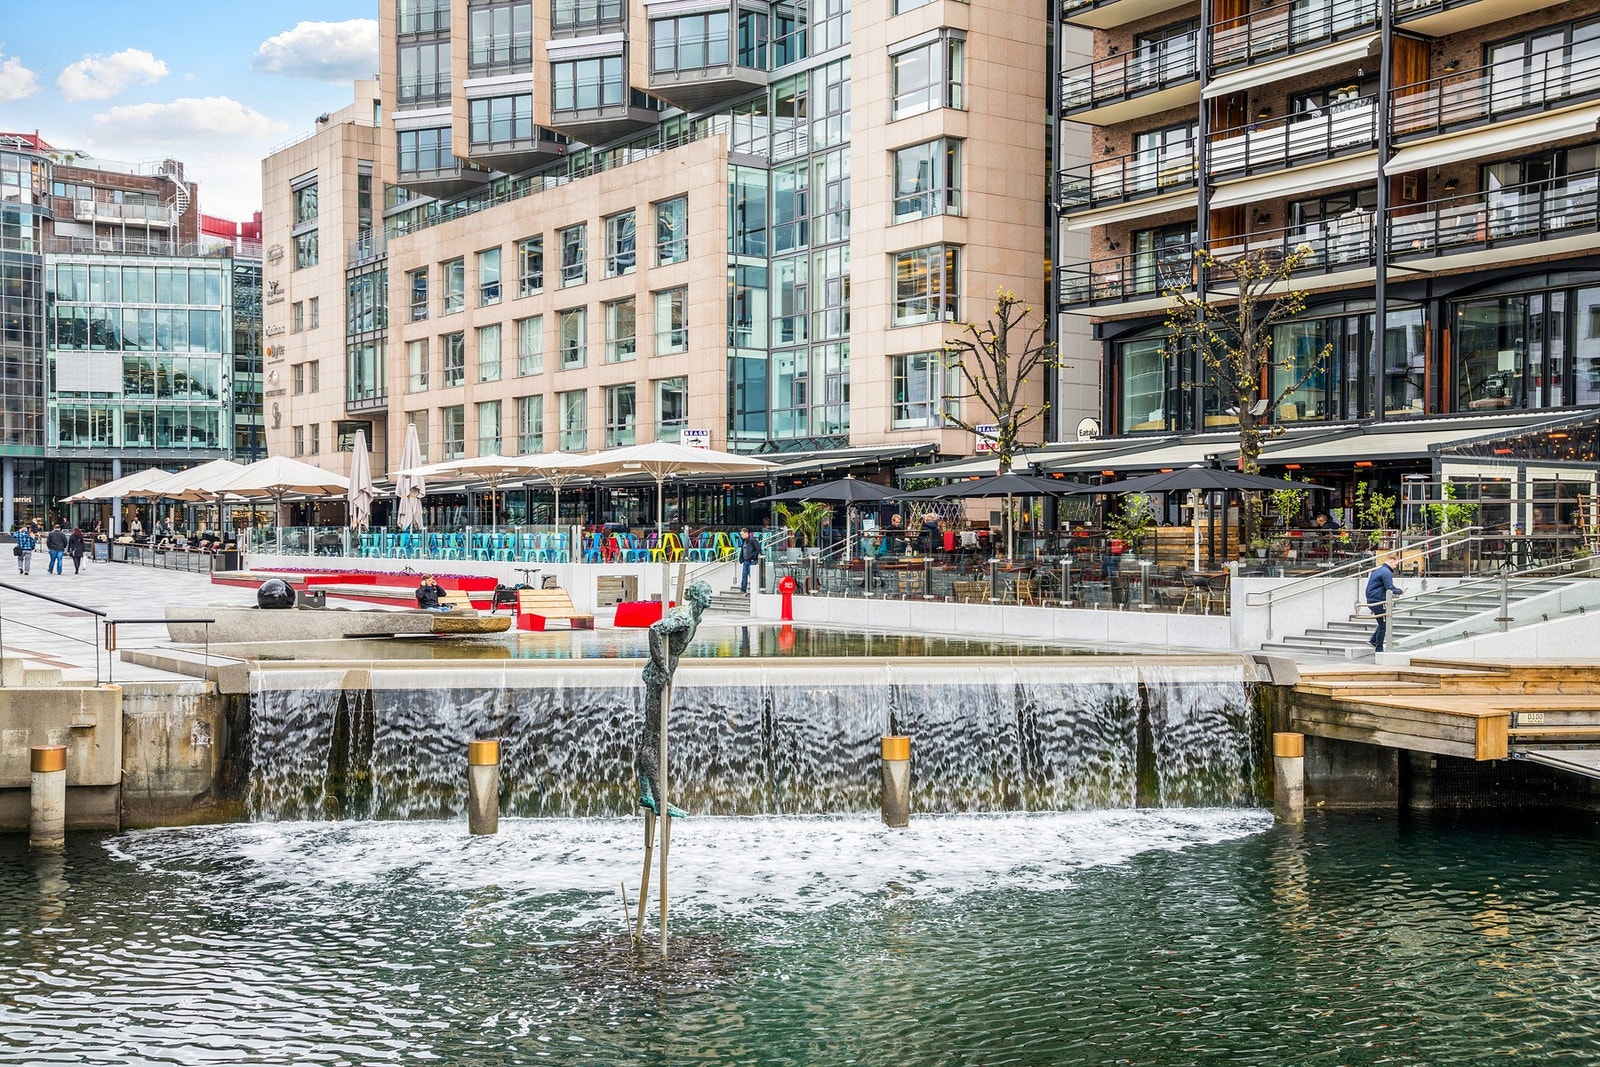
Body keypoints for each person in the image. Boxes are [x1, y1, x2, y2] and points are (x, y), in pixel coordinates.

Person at [1364, 551, 1402, 652]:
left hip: (1373, 599)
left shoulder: (1379, 570)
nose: (1395, 566)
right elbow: (1389, 588)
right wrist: (1400, 591)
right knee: (1383, 625)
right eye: (1395, 564)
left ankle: (1373, 641)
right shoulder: (1386, 572)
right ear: (1391, 561)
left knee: (1382, 623)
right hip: (1378, 600)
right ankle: (1378, 648)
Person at [738, 526, 761, 594]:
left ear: (746, 533)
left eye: (742, 534)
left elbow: (758, 549)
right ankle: (743, 589)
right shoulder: (744, 541)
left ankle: (753, 589)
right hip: (746, 560)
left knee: (752, 575)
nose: (741, 536)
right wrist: (741, 558)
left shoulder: (752, 540)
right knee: (744, 575)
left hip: (751, 560)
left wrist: (753, 557)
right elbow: (743, 550)